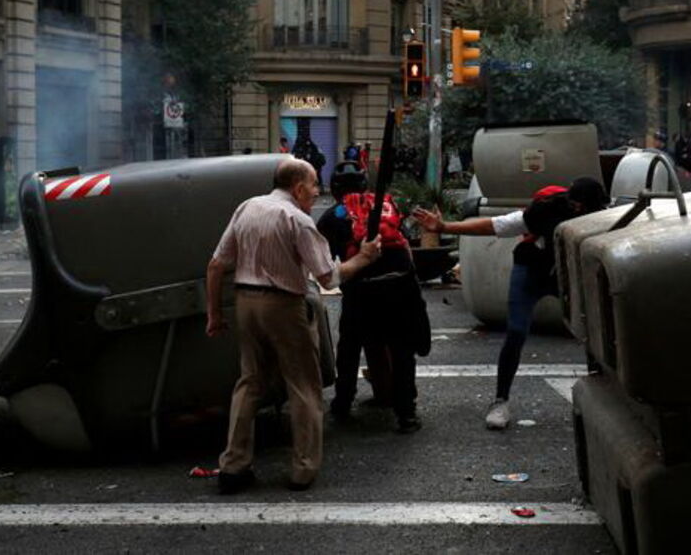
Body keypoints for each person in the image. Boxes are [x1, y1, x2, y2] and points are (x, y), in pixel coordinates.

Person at [206, 158, 381, 494]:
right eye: (315, 185)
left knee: (250, 383)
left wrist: (215, 314)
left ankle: (233, 466)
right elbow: (328, 276)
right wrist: (363, 257)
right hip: (283, 305)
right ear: (299, 187)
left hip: (245, 302)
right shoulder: (297, 220)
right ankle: (302, 469)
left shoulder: (247, 207)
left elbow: (216, 265)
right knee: (302, 384)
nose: (317, 192)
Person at [413, 177, 609, 430]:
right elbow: (496, 225)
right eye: (575, 208)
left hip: (567, 273)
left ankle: (604, 398)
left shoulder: (605, 218)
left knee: (595, 332)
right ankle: (500, 400)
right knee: (516, 331)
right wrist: (444, 227)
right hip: (531, 270)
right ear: (571, 204)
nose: (578, 213)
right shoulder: (545, 210)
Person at [317, 162, 430, 433]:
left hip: (361, 290)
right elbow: (404, 246)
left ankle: (343, 403)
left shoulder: (332, 216)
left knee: (349, 349)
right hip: (401, 287)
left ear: (334, 189)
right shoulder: (389, 207)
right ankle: (407, 414)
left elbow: (327, 266)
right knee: (402, 351)